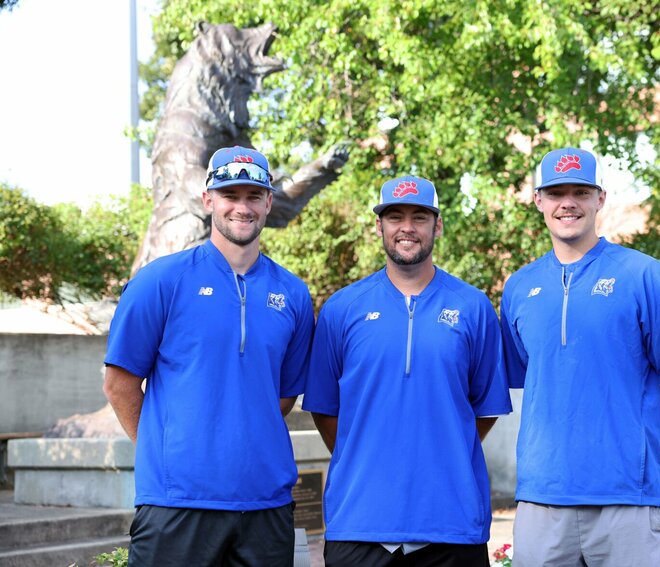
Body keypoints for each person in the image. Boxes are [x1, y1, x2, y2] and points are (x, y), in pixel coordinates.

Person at [103, 146, 314, 567]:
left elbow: (283, 396)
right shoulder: (160, 281)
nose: (242, 207)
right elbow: (119, 382)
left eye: (253, 196)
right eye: (230, 195)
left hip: (265, 505)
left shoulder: (293, 294)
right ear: (208, 200)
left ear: (268, 202)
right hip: (176, 504)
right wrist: (165, 451)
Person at [500, 147, 660, 566]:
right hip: (542, 498)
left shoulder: (645, 276)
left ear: (600, 199)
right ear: (538, 200)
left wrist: (637, 451)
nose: (567, 202)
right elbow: (530, 376)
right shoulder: (519, 287)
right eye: (555, 193)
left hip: (627, 499)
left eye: (580, 191)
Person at [303, 175, 511, 567]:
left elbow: (483, 410)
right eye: (395, 216)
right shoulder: (342, 309)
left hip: (452, 523)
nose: (407, 228)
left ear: (438, 225)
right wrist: (368, 451)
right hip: (359, 524)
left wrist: (443, 447)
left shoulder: (473, 307)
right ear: (379, 226)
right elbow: (326, 410)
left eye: (420, 217)